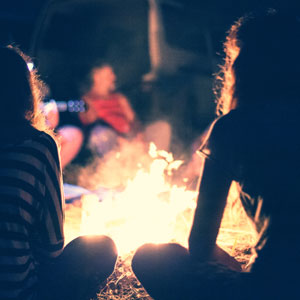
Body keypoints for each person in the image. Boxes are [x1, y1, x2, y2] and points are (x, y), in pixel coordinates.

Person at [132, 10, 300, 300]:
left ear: (245, 67)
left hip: (274, 286)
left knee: (152, 257)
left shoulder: (234, 127)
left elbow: (200, 245)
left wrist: (243, 274)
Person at [0, 46, 118, 300]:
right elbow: (52, 247)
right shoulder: (39, 145)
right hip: (19, 292)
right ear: (25, 91)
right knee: (102, 247)